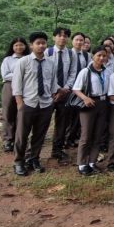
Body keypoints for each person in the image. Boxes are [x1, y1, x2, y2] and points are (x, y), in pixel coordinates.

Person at [11, 31, 54, 176]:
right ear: (31, 45)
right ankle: (19, 161)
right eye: (38, 43)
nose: (41, 46)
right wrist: (19, 103)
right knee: (22, 135)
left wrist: (53, 98)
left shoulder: (50, 63)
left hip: (45, 104)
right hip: (28, 103)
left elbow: (52, 84)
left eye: (43, 43)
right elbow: (16, 84)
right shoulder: (23, 62)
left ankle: (34, 158)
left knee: (39, 135)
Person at [71, 46, 111, 176]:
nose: (101, 58)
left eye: (104, 56)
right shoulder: (85, 71)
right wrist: (85, 98)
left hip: (103, 103)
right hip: (89, 103)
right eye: (99, 55)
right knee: (86, 135)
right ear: (93, 56)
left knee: (98, 134)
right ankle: (82, 163)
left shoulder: (107, 71)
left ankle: (92, 162)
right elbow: (76, 89)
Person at [47, 27, 76, 163]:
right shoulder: (48, 52)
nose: (62, 38)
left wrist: (65, 89)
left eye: (65, 36)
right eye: (59, 35)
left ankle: (57, 150)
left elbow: (72, 73)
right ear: (54, 37)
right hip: (48, 94)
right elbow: (45, 73)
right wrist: (55, 89)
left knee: (62, 124)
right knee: (43, 123)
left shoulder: (71, 54)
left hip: (65, 94)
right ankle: (32, 153)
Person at [0, 37, 28, 153]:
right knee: (8, 112)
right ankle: (8, 139)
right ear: (12, 47)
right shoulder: (7, 60)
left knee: (22, 113)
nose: (19, 47)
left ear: (25, 46)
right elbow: (5, 75)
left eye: (21, 45)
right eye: (16, 45)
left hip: (25, 88)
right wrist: (20, 75)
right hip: (9, 86)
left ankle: (19, 138)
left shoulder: (29, 59)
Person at [65, 32, 90, 149]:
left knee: (77, 114)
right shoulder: (68, 54)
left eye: (81, 40)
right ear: (72, 41)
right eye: (77, 40)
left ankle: (71, 138)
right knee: (67, 115)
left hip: (81, 89)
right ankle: (64, 139)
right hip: (68, 88)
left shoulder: (86, 55)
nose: (79, 42)